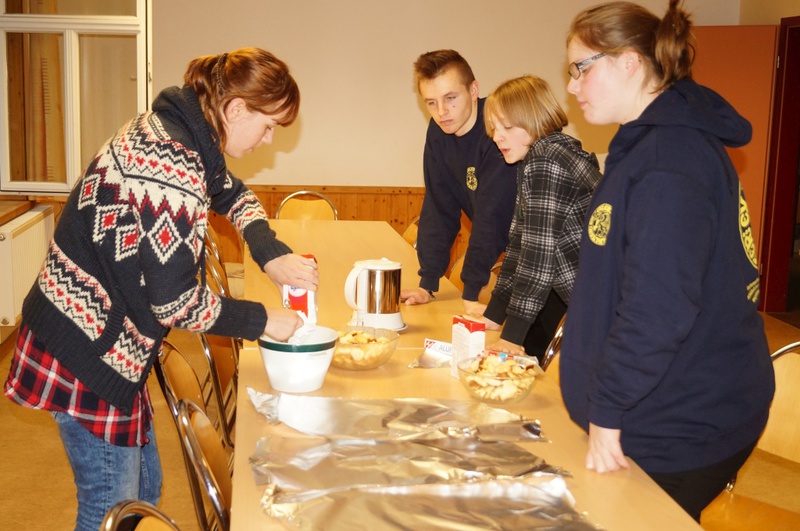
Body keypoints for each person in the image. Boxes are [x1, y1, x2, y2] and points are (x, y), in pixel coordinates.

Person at [3, 47, 316, 531]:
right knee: (110, 509)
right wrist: (262, 320)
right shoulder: (172, 167)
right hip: (87, 349)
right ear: (236, 109)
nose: (269, 139)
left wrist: (268, 251)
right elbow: (175, 303)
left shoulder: (184, 134)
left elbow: (231, 192)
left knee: (143, 493)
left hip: (94, 330)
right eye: (269, 125)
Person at [560, 1, 775, 521]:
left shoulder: (669, 163)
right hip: (654, 407)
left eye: (581, 68)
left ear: (629, 61)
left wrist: (607, 410)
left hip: (682, 422)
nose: (572, 85)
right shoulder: (647, 147)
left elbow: (657, 310)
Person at [480, 76, 602, 364]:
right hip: (588, 296)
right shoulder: (538, 157)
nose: (497, 137)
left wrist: (512, 337)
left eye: (507, 127)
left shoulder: (546, 160)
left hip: (599, 300)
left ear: (536, 120)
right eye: (494, 128)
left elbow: (538, 257)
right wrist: (495, 315)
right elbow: (519, 243)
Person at [400, 49, 516, 316]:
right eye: (431, 103)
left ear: (473, 90)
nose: (441, 112)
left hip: (545, 248)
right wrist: (428, 283)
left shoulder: (497, 129)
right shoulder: (438, 132)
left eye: (450, 98)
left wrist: (471, 292)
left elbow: (491, 218)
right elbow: (439, 207)